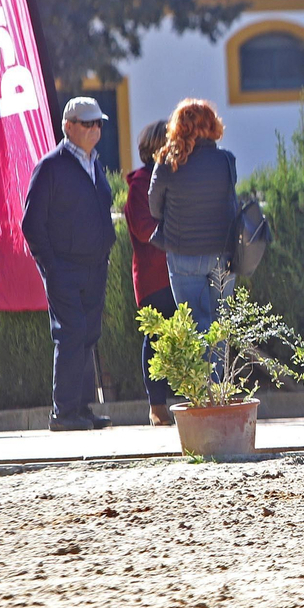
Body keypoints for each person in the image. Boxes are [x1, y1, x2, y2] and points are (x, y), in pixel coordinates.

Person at [22, 97, 116, 431]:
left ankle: (81, 408)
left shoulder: (95, 163)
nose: (95, 129)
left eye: (98, 123)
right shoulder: (51, 166)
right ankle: (63, 413)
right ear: (68, 126)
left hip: (95, 265)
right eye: (87, 123)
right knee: (71, 333)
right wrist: (51, 266)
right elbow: (31, 223)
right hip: (64, 268)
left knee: (88, 334)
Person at [148, 100, 238, 341]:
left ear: (178, 127)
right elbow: (230, 202)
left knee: (196, 328)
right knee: (220, 327)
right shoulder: (226, 160)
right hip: (223, 253)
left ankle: (201, 369)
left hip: (183, 254)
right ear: (212, 125)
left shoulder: (168, 162)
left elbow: (154, 208)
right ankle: (219, 368)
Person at [124, 121, 177, 425]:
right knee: (156, 338)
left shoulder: (175, 178)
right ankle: (157, 406)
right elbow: (145, 229)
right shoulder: (140, 184)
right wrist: (179, 237)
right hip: (154, 277)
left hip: (178, 271)